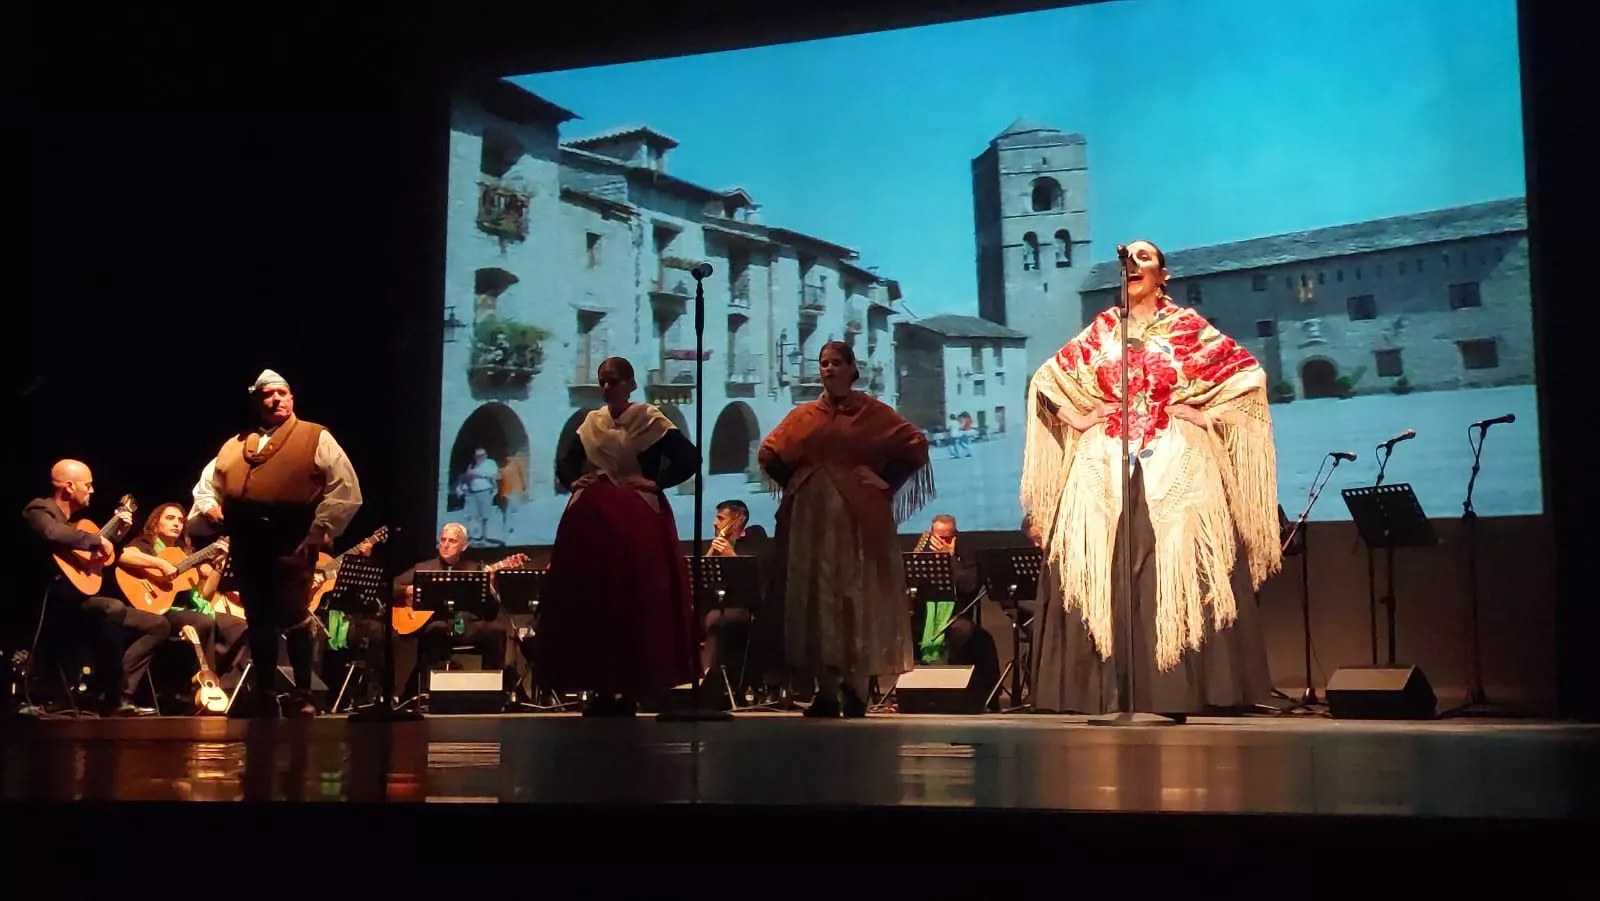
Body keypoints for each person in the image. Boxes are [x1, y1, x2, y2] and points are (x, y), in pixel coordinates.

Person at [1022, 239, 1280, 718]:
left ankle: (1176, 691)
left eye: (1144, 258)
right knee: (1101, 566)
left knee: (1173, 565)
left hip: (1172, 460)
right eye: (1127, 259)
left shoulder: (1187, 327)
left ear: (1163, 275)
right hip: (1105, 463)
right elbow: (1044, 380)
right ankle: (1102, 692)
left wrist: (1208, 416)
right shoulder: (1102, 330)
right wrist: (1077, 419)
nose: (1132, 265)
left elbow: (1248, 377)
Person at [759, 341, 932, 718]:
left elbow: (915, 443)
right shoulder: (805, 414)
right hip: (811, 520)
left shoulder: (871, 412)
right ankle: (826, 690)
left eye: (837, 363)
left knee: (856, 593)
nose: (829, 369)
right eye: (824, 364)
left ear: (853, 368)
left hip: (858, 518)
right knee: (816, 598)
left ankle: (856, 690)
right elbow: (769, 452)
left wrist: (885, 479)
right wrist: (797, 484)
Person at [189, 369, 363, 717]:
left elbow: (345, 488)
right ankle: (265, 694)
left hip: (292, 543)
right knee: (259, 620)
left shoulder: (315, 437)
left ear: (292, 398)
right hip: (248, 545)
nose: (276, 399)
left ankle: (302, 695)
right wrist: (210, 508)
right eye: (268, 395)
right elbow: (207, 486)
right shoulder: (235, 444)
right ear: (258, 402)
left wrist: (319, 530)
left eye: (282, 393)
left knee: (294, 615)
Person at [535, 356, 701, 716]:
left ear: (630, 383)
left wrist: (655, 483)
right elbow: (567, 460)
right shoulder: (590, 422)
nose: (607, 387)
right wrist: (572, 481)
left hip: (636, 515)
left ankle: (632, 685)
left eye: (614, 381)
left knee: (636, 598)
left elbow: (688, 458)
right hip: (592, 519)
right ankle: (599, 686)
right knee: (592, 600)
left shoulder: (649, 419)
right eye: (603, 382)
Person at [22, 460, 163, 716]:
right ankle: (112, 698)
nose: (92, 490)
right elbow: (53, 533)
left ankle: (118, 692)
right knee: (112, 609)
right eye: (87, 485)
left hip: (78, 601)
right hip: (50, 605)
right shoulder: (40, 509)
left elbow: (100, 559)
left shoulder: (78, 524)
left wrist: (114, 536)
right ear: (68, 486)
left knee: (158, 625)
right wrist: (96, 540)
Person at [118, 502, 251, 692]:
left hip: (191, 609)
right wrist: (161, 565)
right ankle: (203, 687)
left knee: (242, 628)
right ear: (156, 522)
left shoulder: (186, 553)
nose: (177, 524)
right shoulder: (145, 543)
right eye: (170, 518)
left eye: (181, 520)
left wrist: (218, 567)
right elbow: (124, 556)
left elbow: (205, 595)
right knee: (203, 622)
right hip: (160, 610)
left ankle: (227, 688)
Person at [391, 522, 514, 699]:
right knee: (437, 629)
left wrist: (490, 590)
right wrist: (407, 590)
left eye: (452, 541)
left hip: (465, 626)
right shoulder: (423, 568)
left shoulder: (475, 570)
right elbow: (391, 586)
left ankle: (491, 692)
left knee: (496, 630)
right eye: (443, 540)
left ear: (464, 546)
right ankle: (427, 692)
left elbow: (490, 612)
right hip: (435, 625)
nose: (446, 545)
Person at [699, 499, 775, 706]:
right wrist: (711, 555)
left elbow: (756, 582)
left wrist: (730, 555)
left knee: (714, 619)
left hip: (747, 608)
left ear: (737, 520)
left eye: (721, 518)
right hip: (718, 605)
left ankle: (704, 679)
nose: (715, 523)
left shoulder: (753, 541)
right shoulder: (717, 545)